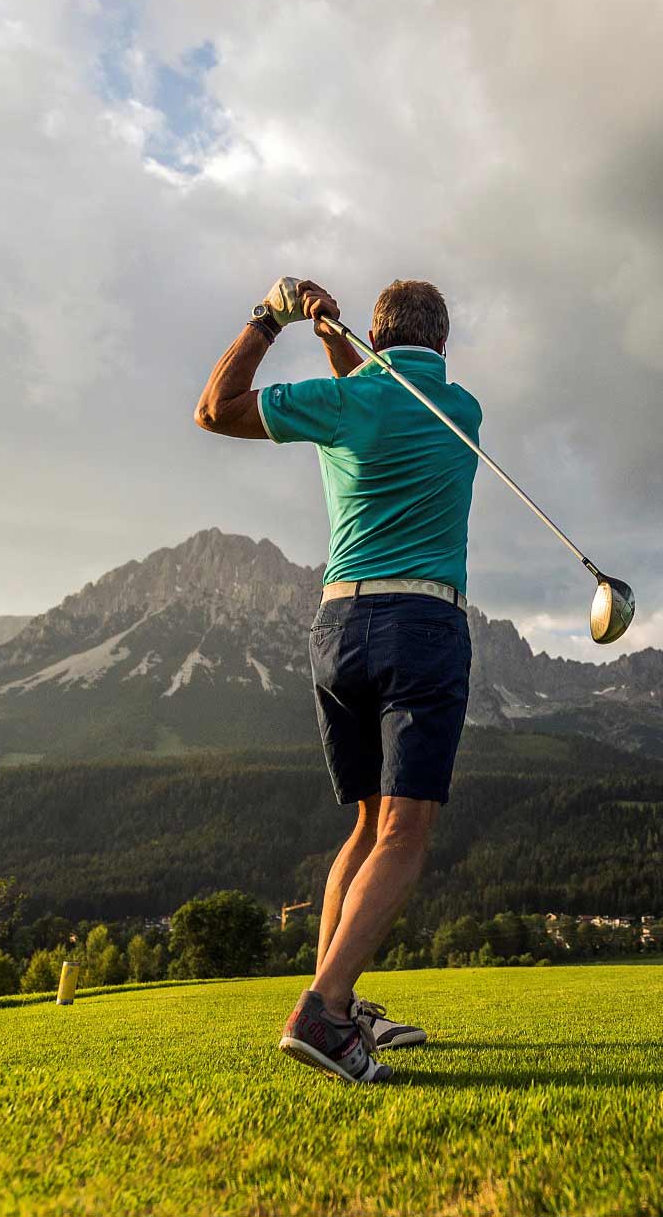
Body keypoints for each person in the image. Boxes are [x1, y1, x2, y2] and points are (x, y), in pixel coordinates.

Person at [193, 277, 480, 1083]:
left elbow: (216, 410)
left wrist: (271, 319)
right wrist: (328, 335)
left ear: (374, 338)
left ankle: (341, 1006)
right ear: (443, 345)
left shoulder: (344, 401)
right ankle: (322, 1012)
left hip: (338, 628)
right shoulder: (462, 412)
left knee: (363, 826)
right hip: (422, 625)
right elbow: (377, 383)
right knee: (403, 833)